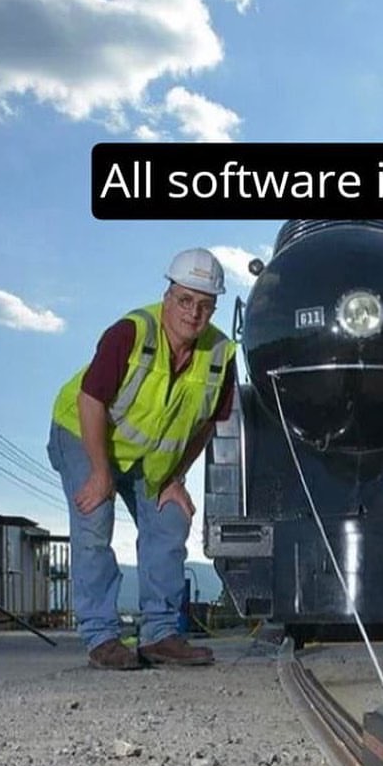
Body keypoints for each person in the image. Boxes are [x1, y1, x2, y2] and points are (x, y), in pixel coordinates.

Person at [48, 248, 237, 670]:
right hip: (81, 431)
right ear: (168, 296)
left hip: (146, 457)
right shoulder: (130, 333)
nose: (193, 313)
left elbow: (208, 424)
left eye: (205, 305)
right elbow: (91, 400)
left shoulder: (221, 354)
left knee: (171, 519)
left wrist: (176, 478)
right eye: (185, 300)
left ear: (214, 308)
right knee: (95, 517)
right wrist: (100, 473)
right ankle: (101, 637)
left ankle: (160, 634)